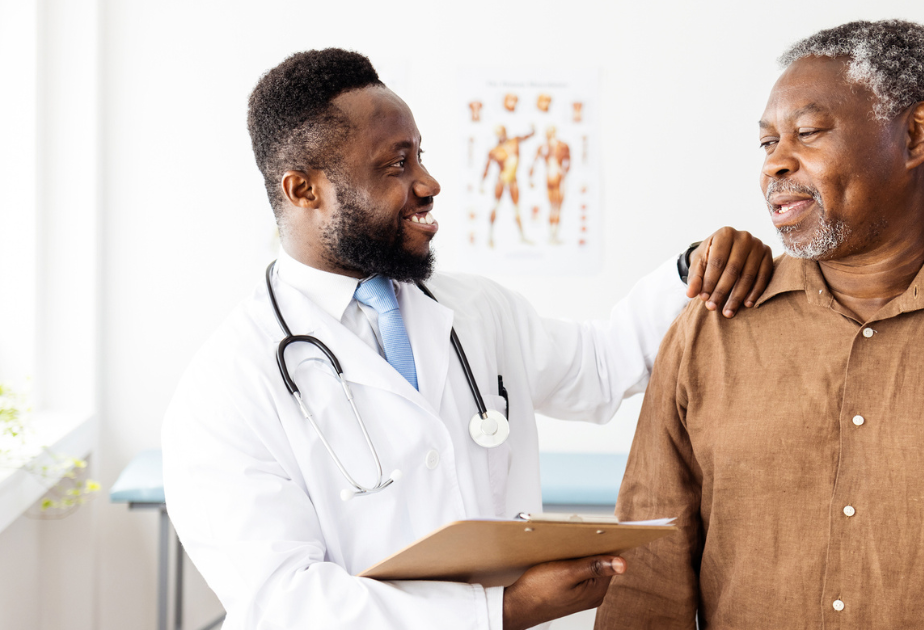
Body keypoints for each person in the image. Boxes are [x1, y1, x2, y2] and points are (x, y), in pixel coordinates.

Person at [162, 48, 773, 630]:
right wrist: (497, 615)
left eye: (420, 156)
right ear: (304, 190)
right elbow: (282, 602)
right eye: (396, 164)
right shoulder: (227, 385)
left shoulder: (473, 309)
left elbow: (598, 368)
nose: (428, 183)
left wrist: (694, 267)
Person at [596, 19, 924, 629]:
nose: (776, 164)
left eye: (808, 133)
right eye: (768, 143)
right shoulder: (709, 331)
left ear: (917, 135)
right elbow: (647, 584)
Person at [481, 124, 535, 247]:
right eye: (498, 133)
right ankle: (490, 236)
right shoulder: (494, 151)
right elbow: (487, 168)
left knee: (516, 208)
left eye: (502, 132)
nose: (501, 135)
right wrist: (482, 183)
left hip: (512, 180)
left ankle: (522, 236)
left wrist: (533, 131)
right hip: (501, 179)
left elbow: (525, 137)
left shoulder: (514, 141)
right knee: (496, 205)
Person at [529, 125, 571, 245]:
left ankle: (553, 234)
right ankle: (553, 235)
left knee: (554, 207)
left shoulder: (560, 146)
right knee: (555, 207)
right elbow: (534, 163)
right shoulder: (546, 147)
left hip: (553, 175)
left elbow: (567, 163)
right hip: (554, 176)